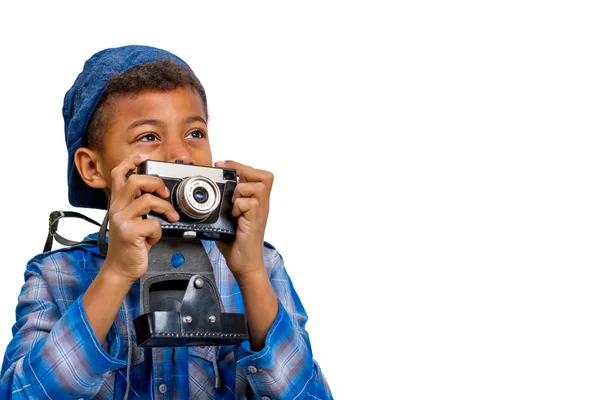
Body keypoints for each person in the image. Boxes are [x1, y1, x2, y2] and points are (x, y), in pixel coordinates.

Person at [0, 45, 332, 400]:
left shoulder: (262, 265)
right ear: (93, 168)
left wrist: (250, 274)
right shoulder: (57, 275)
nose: (181, 154)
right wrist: (115, 275)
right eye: (149, 137)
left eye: (195, 133)